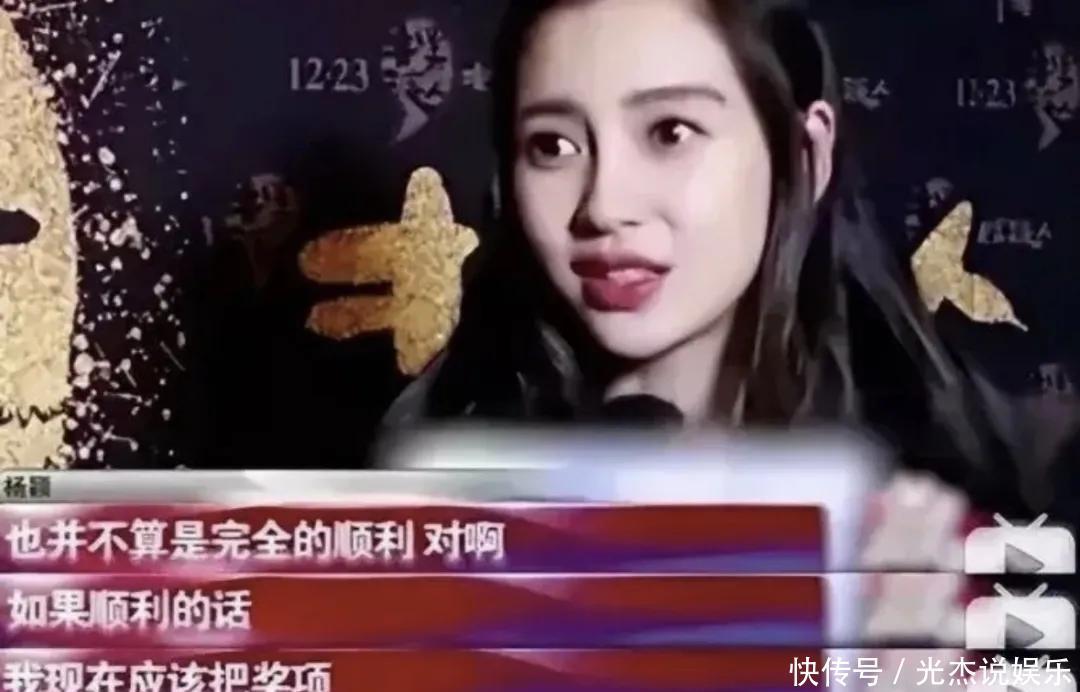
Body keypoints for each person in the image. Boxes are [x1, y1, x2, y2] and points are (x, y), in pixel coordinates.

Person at [384, 0, 1028, 515]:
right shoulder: (441, 480)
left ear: (805, 156)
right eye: (552, 146)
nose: (604, 206)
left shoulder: (952, 495)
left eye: (671, 132)